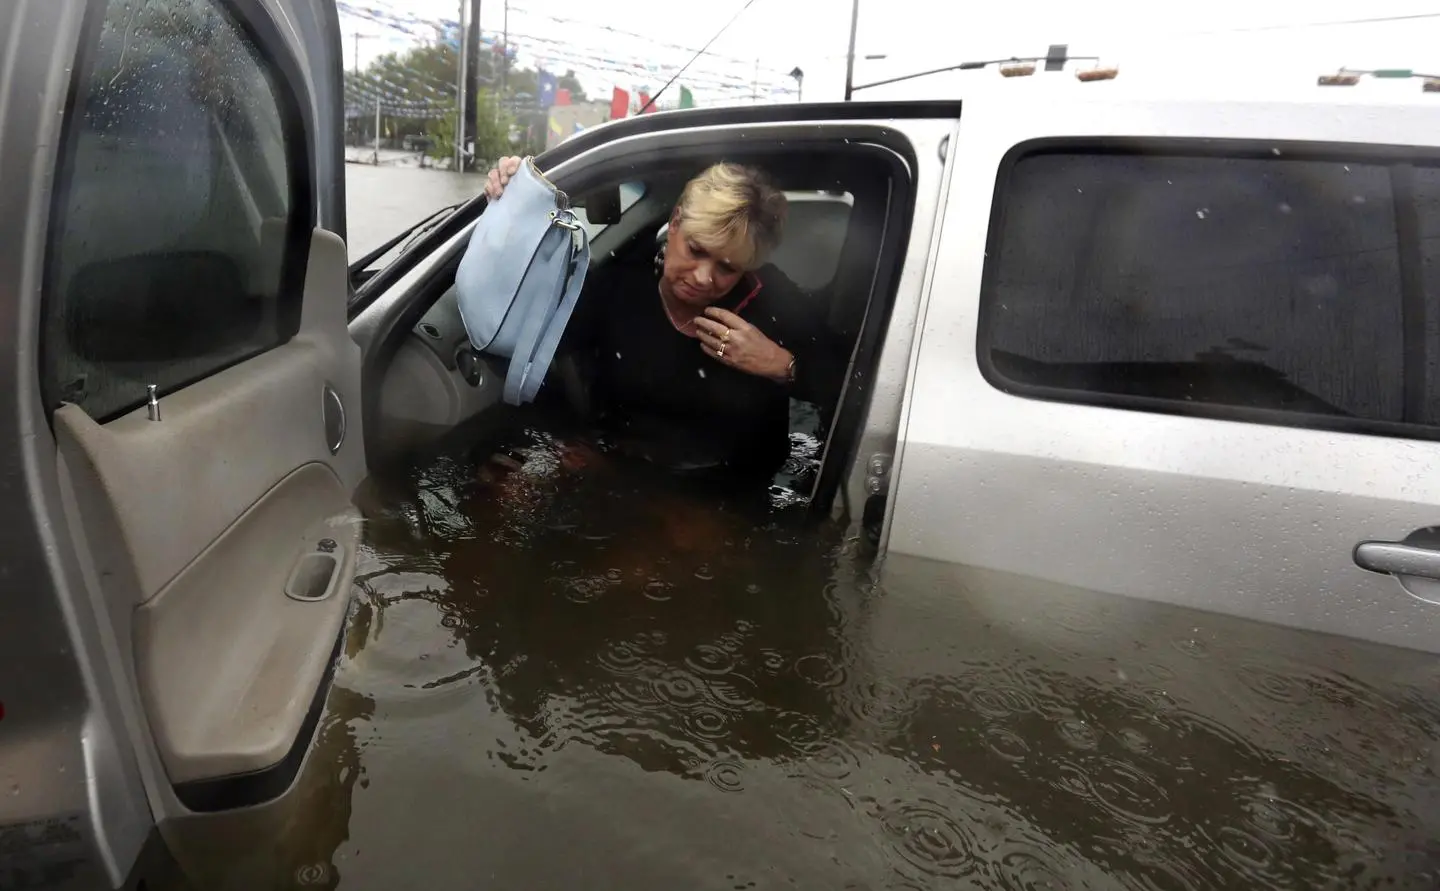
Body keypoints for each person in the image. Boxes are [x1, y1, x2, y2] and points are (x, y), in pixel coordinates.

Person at [482, 156, 846, 486]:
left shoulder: (771, 299)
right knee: (499, 484)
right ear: (675, 224)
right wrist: (511, 211)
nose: (704, 277)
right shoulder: (620, 282)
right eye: (697, 249)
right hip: (620, 468)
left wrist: (781, 364)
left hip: (728, 490)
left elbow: (851, 388)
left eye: (728, 267)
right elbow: (541, 356)